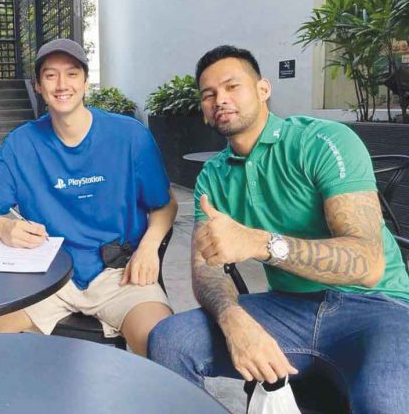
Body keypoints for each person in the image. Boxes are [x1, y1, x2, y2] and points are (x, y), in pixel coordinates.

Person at [148, 45, 409, 412]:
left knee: (387, 403)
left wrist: (259, 243)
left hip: (378, 308)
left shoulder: (321, 142)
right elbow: (205, 269)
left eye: (232, 86)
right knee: (170, 341)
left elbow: (367, 264)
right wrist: (233, 317)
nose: (220, 99)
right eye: (209, 94)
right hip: (290, 308)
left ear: (263, 89)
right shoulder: (213, 176)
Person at [0, 38, 177, 355]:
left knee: (165, 344)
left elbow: (165, 203)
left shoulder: (129, 135)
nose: (62, 84)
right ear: (37, 85)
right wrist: (4, 228)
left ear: (86, 82)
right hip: (49, 276)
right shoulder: (22, 144)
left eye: (72, 73)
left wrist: (149, 246)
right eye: (50, 75)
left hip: (120, 273)